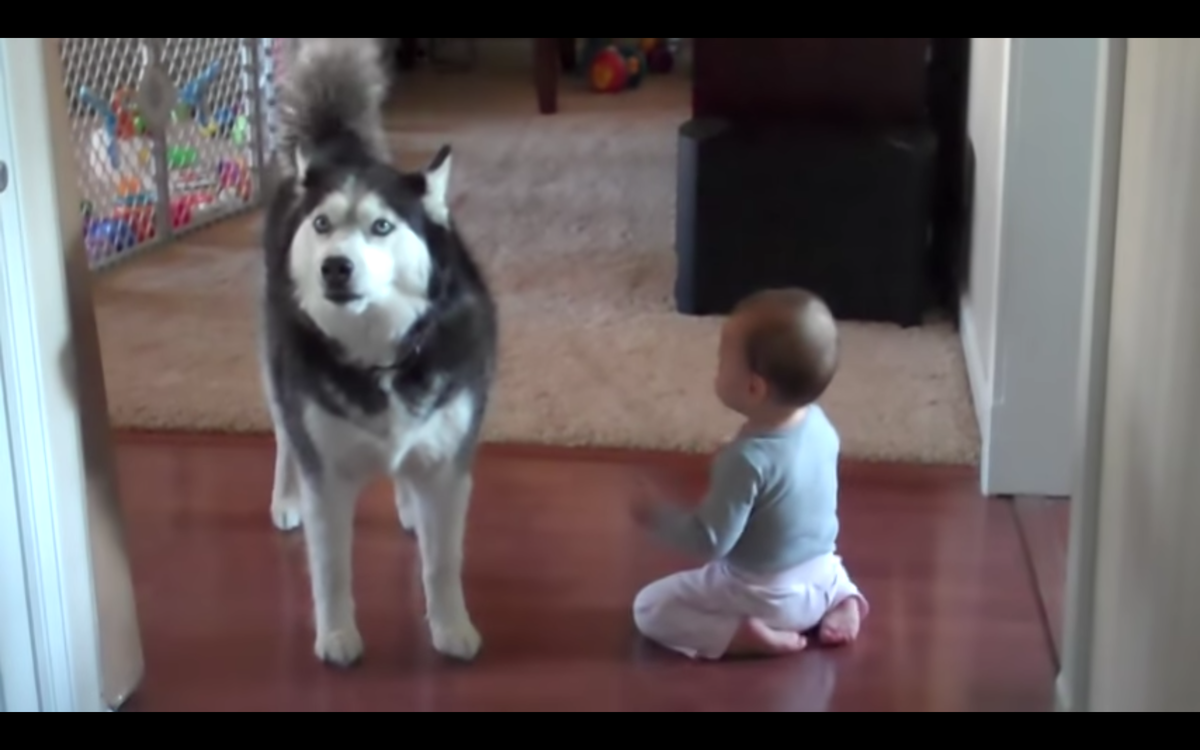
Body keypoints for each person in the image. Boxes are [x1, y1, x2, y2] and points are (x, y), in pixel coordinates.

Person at [630, 287, 868, 660]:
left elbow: (710, 541)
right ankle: (843, 598)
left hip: (763, 599)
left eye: (723, 360)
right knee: (826, 561)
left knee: (650, 608)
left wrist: (655, 515)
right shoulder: (821, 425)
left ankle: (736, 636)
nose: (717, 367)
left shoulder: (744, 461)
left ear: (754, 388)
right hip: (820, 577)